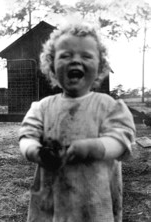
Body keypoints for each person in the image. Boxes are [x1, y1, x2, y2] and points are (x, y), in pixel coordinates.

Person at [19, 21, 136, 222]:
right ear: (52, 67)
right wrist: (35, 152)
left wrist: (93, 147)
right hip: (52, 202)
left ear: (100, 67)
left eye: (86, 56)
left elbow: (121, 140)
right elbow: (26, 136)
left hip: (94, 201)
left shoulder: (109, 107)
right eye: (65, 55)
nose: (75, 61)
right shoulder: (42, 108)